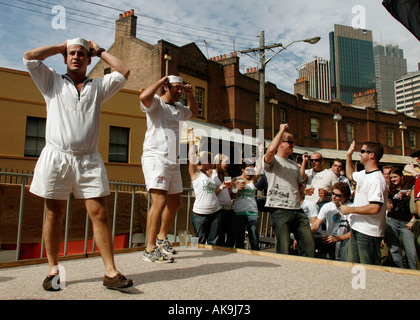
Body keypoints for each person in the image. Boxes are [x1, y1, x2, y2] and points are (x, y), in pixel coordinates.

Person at [23, 38, 133, 291]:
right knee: (54, 214)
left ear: (89, 59)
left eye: (82, 54)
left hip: (88, 159)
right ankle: (53, 271)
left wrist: (100, 51)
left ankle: (111, 273)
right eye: (71, 53)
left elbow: (124, 71)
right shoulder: (51, 81)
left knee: (100, 214)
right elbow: (30, 55)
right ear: (64, 57)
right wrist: (60, 46)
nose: (76, 57)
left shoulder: (98, 86)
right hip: (57, 157)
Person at [140, 75, 198, 263]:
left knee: (175, 203)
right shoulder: (156, 103)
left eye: (182, 88)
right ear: (166, 87)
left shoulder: (180, 108)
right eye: (176, 88)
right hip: (155, 157)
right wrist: (161, 79)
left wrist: (190, 95)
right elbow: (143, 97)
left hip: (173, 160)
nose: (179, 91)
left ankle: (162, 238)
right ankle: (149, 249)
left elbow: (194, 113)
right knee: (158, 201)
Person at [264, 123, 315, 257]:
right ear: (281, 143)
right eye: (290, 142)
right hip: (279, 209)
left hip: (297, 210)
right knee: (284, 250)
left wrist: (305, 190)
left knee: (309, 247)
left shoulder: (294, 165)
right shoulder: (273, 161)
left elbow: (299, 184)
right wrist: (281, 130)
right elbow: (270, 151)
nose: (293, 145)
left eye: (293, 143)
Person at [340, 140, 388, 265]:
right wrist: (348, 156)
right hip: (357, 228)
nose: (359, 154)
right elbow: (350, 175)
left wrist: (350, 209)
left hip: (368, 232)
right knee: (355, 267)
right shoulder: (364, 174)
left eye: (362, 151)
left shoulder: (377, 179)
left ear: (371, 155)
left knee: (368, 269)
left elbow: (374, 208)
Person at [188, 129, 221, 245]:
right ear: (204, 161)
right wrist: (191, 138)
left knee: (214, 242)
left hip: (215, 212)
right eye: (210, 160)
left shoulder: (209, 174)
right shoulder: (195, 173)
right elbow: (192, 156)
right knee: (200, 242)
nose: (211, 163)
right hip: (200, 214)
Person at [385, 167, 417, 269]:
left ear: (401, 177)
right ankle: (401, 271)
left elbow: (415, 207)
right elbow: (389, 209)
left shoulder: (411, 188)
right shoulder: (389, 189)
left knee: (411, 251)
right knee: (394, 250)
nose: (393, 179)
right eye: (391, 178)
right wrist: (391, 196)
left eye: (395, 177)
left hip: (406, 223)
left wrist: (410, 196)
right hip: (392, 221)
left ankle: (415, 273)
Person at [311, 182, 351, 261]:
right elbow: (315, 225)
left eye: (338, 195)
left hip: (344, 240)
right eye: (333, 194)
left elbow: (353, 233)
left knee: (347, 244)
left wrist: (336, 238)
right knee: (309, 239)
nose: (334, 197)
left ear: (345, 197)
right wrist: (303, 237)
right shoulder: (327, 206)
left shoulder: (351, 207)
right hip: (330, 239)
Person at [233, 146, 263, 250]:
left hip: (252, 211)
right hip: (239, 211)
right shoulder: (235, 179)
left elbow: (259, 167)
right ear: (242, 169)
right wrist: (236, 189)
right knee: (239, 238)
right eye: (248, 171)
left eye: (252, 171)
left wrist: (260, 152)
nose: (250, 173)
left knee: (254, 237)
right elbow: (231, 196)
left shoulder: (253, 180)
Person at [210, 154, 235, 248]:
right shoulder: (211, 174)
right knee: (219, 237)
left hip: (229, 208)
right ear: (219, 162)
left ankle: (228, 252)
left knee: (232, 235)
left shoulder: (226, 175)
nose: (228, 164)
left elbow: (229, 194)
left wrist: (234, 188)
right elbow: (211, 193)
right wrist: (221, 186)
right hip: (218, 209)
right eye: (226, 162)